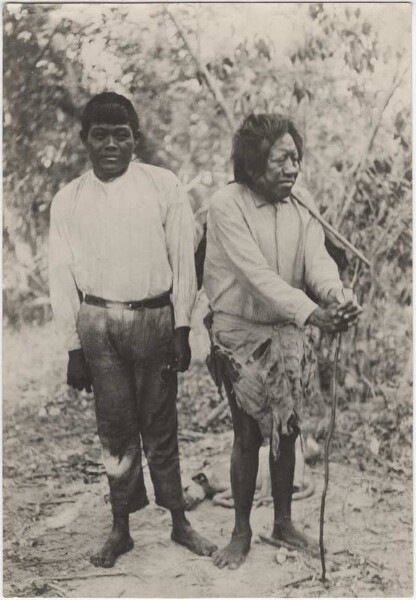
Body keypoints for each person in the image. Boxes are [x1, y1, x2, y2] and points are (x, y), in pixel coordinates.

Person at [49, 92, 217, 568]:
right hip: (98, 323)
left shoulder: (163, 186)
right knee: (115, 429)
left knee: (161, 425)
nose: (109, 144)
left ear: (135, 139)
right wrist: (73, 347)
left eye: (120, 135)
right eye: (99, 135)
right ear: (83, 140)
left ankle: (179, 521)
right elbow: (60, 275)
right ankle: (121, 527)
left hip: (154, 319)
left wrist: (182, 326)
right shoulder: (68, 201)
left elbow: (184, 260)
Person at [203, 113, 362, 570]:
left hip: (287, 331)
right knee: (248, 432)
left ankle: (284, 522)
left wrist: (336, 295)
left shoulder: (302, 203)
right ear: (253, 166)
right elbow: (255, 275)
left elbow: (317, 261)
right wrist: (314, 312)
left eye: (296, 158)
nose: (293, 168)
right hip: (240, 332)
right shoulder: (226, 205)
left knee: (288, 429)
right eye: (281, 160)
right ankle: (240, 531)